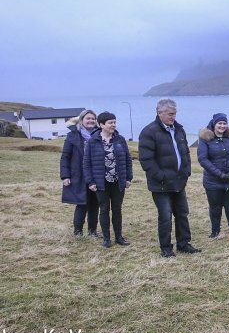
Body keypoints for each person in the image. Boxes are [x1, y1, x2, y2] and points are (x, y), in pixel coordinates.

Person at [138, 99, 201, 257]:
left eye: (175, 113)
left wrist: (186, 172)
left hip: (179, 181)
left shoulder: (179, 130)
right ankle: (166, 248)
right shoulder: (149, 132)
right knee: (165, 216)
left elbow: (185, 153)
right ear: (159, 113)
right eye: (170, 114)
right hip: (161, 184)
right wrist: (161, 176)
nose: (173, 117)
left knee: (182, 213)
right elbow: (146, 160)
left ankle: (183, 243)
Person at [83, 111, 133, 248]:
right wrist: (90, 182)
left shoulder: (120, 139)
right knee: (104, 209)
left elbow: (128, 159)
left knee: (117, 209)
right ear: (101, 125)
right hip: (101, 183)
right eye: (110, 123)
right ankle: (106, 238)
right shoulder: (93, 141)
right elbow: (86, 163)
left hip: (118, 182)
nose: (113, 125)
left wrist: (129, 178)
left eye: (114, 122)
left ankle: (119, 237)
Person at [197, 113, 229, 238]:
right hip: (213, 181)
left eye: (224, 123)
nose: (222, 126)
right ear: (214, 124)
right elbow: (203, 159)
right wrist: (220, 175)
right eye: (219, 123)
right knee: (215, 207)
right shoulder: (205, 138)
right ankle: (215, 231)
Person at [60, 109, 101, 237]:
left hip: (96, 175)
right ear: (81, 120)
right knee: (82, 204)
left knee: (95, 204)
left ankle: (92, 231)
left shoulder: (99, 135)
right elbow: (65, 156)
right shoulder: (73, 135)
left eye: (93, 119)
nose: (91, 121)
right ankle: (78, 231)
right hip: (79, 175)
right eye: (88, 118)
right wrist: (65, 176)